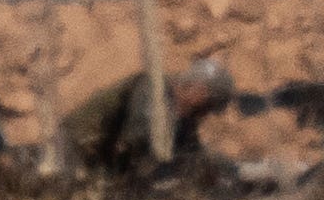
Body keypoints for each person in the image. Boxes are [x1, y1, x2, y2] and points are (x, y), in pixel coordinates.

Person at [55, 55, 233, 181]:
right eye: (207, 107)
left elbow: (191, 150)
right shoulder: (152, 89)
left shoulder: (183, 111)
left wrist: (219, 168)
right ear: (199, 92)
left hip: (101, 157)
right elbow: (137, 139)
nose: (205, 115)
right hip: (75, 150)